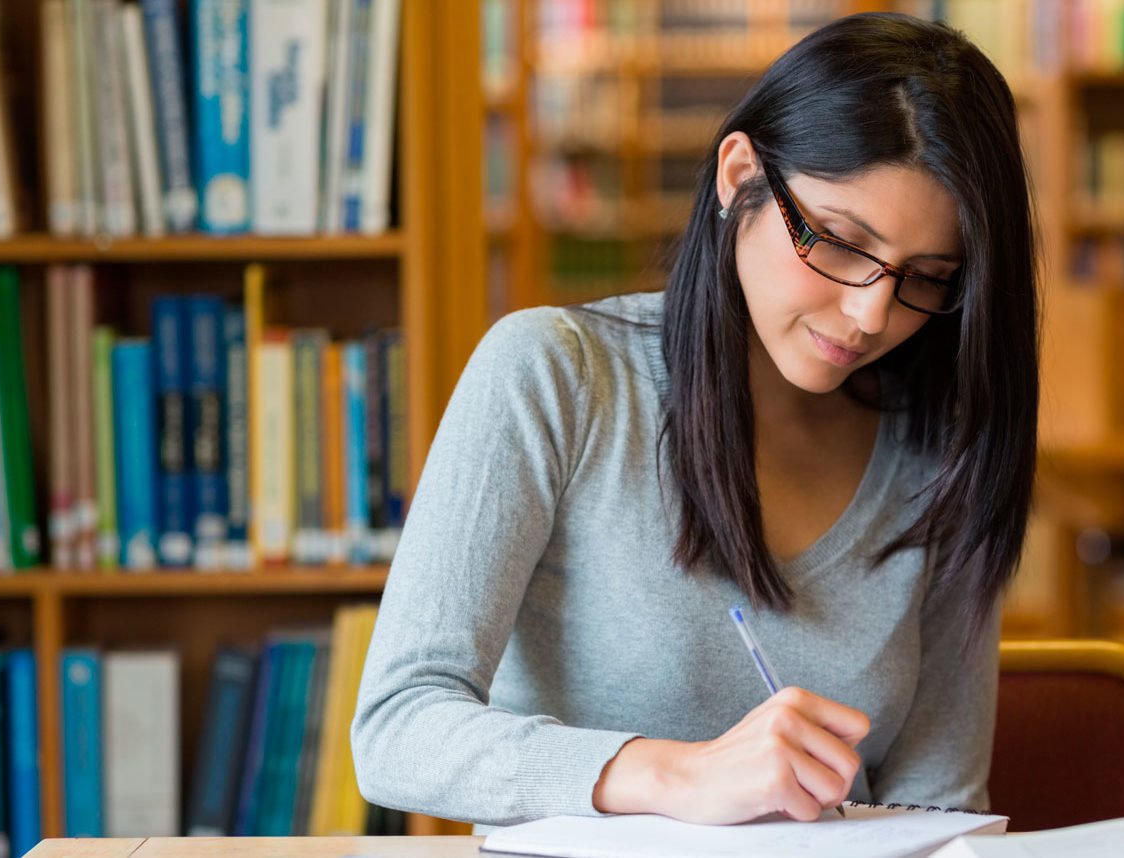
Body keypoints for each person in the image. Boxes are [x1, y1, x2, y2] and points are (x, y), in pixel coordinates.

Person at [353, 12, 1037, 828]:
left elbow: (938, 810)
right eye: (840, 242)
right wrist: (675, 776)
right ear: (739, 172)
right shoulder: (555, 376)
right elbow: (398, 729)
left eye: (926, 277)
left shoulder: (943, 450)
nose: (868, 313)